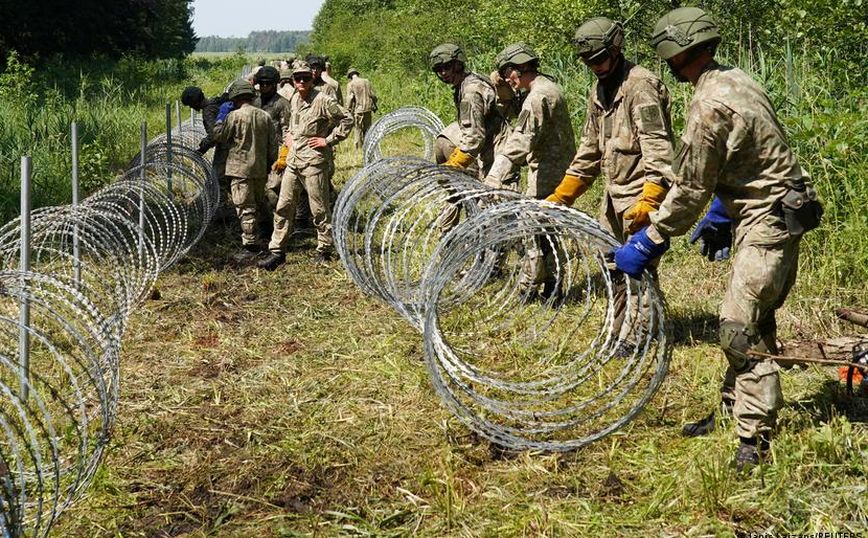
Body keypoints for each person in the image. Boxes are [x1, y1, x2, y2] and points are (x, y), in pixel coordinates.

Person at [612, 7, 823, 469]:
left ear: (676, 52)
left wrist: (652, 239)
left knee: (737, 324)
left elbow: (690, 186)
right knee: (753, 314)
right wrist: (724, 210)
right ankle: (735, 409)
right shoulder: (734, 78)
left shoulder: (708, 104)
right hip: (773, 207)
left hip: (768, 217)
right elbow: (752, 154)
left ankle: (754, 439)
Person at [544, 17, 675, 335]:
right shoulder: (599, 90)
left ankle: (643, 336)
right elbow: (590, 148)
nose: (596, 66)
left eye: (600, 59)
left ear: (616, 49)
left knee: (636, 268)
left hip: (641, 194)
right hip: (612, 195)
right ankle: (620, 327)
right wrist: (562, 194)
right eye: (589, 62)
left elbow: (659, 150)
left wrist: (651, 198)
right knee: (612, 266)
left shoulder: (640, 87)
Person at [483, 43, 577, 300]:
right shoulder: (548, 88)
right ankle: (552, 287)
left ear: (518, 69)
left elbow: (521, 140)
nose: (505, 80)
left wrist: (495, 175)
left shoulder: (537, 97)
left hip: (548, 172)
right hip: (555, 169)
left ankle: (530, 285)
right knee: (546, 232)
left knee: (532, 230)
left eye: (506, 73)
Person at [258, 62, 353, 270]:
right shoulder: (294, 99)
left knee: (318, 208)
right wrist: (289, 137)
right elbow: (292, 125)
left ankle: (324, 249)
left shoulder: (322, 100)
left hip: (314, 161)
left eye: (305, 78)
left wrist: (328, 140)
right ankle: (277, 250)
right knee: (284, 205)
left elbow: (347, 119)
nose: (301, 82)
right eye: (297, 78)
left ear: (312, 79)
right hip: (294, 160)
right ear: (293, 80)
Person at [428, 42, 510, 232]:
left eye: (447, 66)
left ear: (458, 64)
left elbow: (474, 136)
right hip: (489, 149)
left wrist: (454, 165)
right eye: (438, 69)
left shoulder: (470, 92)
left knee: (498, 204)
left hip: (498, 151)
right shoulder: (467, 83)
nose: (443, 73)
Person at [212, 79, 277, 263]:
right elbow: (273, 145)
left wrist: (219, 119)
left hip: (240, 169)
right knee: (259, 201)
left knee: (245, 207)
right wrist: (270, 163)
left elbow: (220, 136)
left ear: (235, 97)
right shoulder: (264, 116)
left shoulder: (234, 116)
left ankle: (251, 245)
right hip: (260, 168)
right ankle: (268, 232)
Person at [180, 86, 232, 215]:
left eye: (191, 105)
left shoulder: (208, 111)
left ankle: (221, 212)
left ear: (195, 102)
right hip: (234, 144)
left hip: (225, 147)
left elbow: (214, 136)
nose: (192, 108)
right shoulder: (217, 102)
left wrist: (201, 148)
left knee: (218, 179)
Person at [253, 66, 292, 221]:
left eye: (267, 84)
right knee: (258, 193)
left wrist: (283, 156)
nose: (263, 87)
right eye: (261, 84)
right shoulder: (255, 102)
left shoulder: (282, 104)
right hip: (257, 154)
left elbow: (287, 131)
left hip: (276, 155)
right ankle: (266, 224)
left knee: (272, 190)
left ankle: (280, 223)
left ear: (275, 84)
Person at [346, 68, 378, 151]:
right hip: (368, 108)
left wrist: (348, 110)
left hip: (358, 110)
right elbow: (372, 95)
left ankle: (358, 148)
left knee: (358, 129)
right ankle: (369, 146)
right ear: (357, 73)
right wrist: (374, 104)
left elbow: (350, 98)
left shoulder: (350, 84)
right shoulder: (366, 81)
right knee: (368, 129)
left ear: (350, 76)